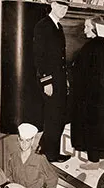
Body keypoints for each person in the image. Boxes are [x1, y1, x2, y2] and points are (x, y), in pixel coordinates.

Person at [71, 17, 104, 167]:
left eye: (87, 27)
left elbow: (82, 72)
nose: (84, 30)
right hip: (102, 95)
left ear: (96, 28)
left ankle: (93, 160)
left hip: (89, 95)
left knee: (90, 126)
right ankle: (103, 158)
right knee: (101, 126)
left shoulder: (91, 47)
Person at [33, 0, 71, 163]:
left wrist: (65, 79)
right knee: (53, 117)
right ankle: (51, 154)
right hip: (50, 80)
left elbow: (60, 58)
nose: (64, 10)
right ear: (53, 5)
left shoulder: (57, 26)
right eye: (61, 6)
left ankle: (44, 148)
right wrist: (46, 81)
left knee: (59, 115)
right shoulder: (43, 26)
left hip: (59, 79)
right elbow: (39, 56)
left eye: (66, 7)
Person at [6, 123, 58, 188]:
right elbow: (9, 175)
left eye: (27, 140)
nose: (24, 144)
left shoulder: (39, 158)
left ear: (33, 140)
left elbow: (53, 178)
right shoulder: (13, 157)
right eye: (21, 140)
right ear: (18, 139)